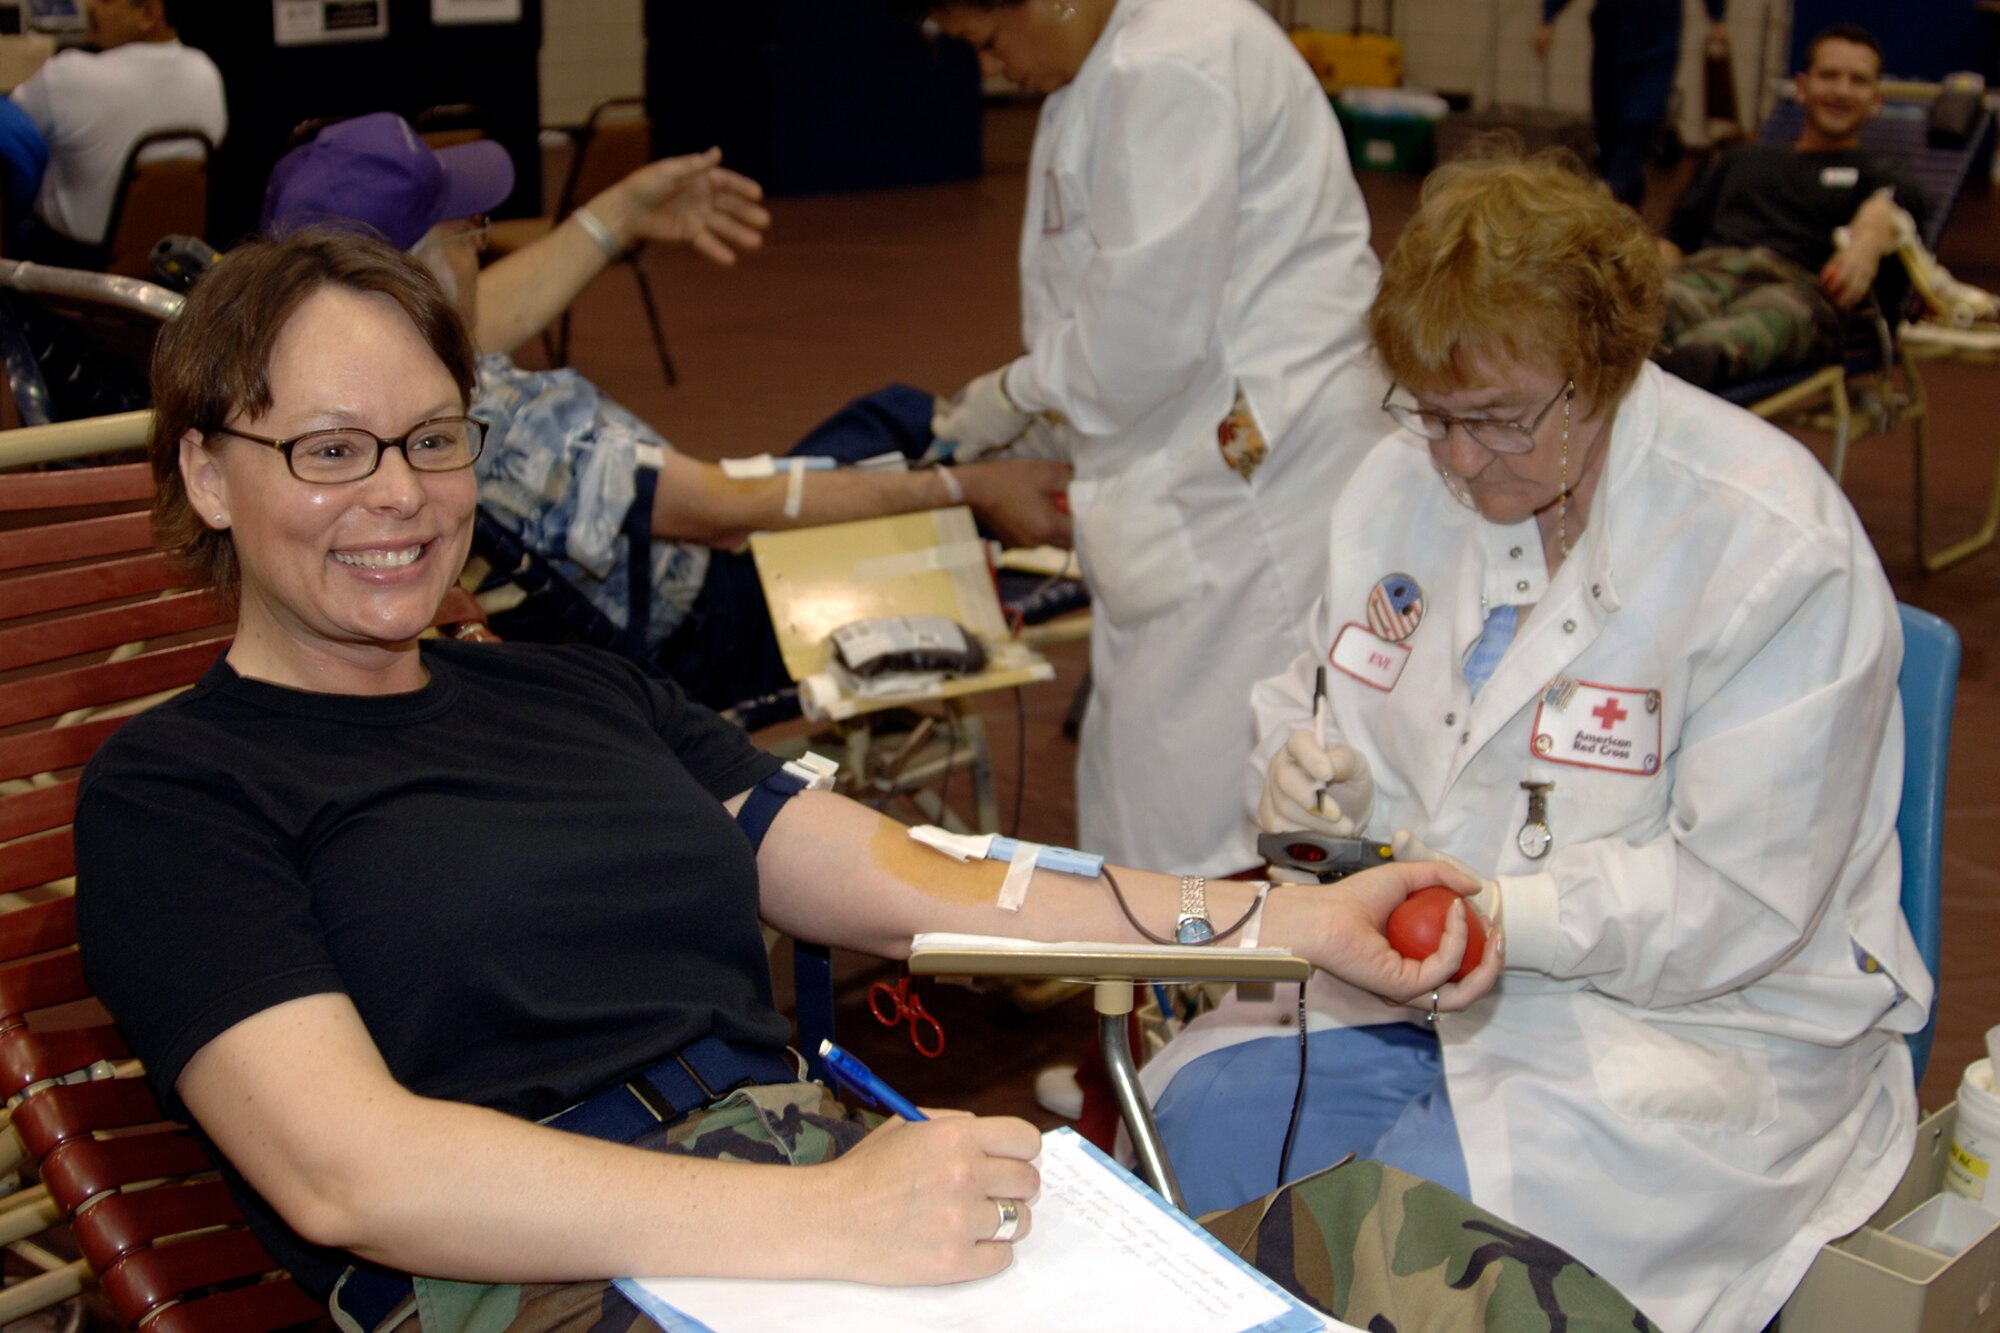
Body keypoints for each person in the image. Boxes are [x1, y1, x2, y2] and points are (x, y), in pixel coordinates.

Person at [71, 226, 1668, 1333]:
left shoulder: (578, 696)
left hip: (834, 1184)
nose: (399, 498)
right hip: (570, 1278)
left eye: (433, 440)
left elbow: (915, 880)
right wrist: (823, 1220)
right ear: (209, 471)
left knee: (1432, 1268)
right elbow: (355, 1173)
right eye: (332, 450)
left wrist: (1288, 923)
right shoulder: (181, 792)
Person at [1139, 148, 1929, 1333]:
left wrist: (1508, 916)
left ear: (1603, 369)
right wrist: (1306, 779)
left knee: (1402, 1238)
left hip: (1688, 1033)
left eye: (1498, 420)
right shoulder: (1400, 485)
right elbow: (1321, 687)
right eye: (1433, 415)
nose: (1455, 459)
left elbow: (1742, 904)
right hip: (1414, 989)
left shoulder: (1768, 549)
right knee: (1188, 1121)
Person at [260, 113, 1073, 710]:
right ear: (419, 276)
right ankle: (1056, 481)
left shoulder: (339, 377)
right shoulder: (496, 423)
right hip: (704, 626)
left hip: (644, 592)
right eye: (469, 232)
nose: (483, 245)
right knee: (899, 430)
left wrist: (616, 217)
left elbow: (477, 310)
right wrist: (968, 488)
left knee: (882, 423)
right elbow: (726, 512)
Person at [889, 0, 1387, 881]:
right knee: (1144, 751)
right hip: (1187, 449)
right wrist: (1042, 406)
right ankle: (1155, 964)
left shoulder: (1169, 62)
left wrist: (1020, 391)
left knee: (1211, 775)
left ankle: (1215, 982)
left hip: (1258, 463)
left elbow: (1140, 340)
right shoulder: (1110, 63)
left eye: (990, 39)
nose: (995, 66)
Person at [1653, 24, 1924, 390]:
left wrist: (1871, 233)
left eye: (1857, 81)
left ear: (1876, 99)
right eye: (1829, 75)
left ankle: (1675, 381)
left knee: (1719, 344)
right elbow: (1674, 242)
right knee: (1624, 318)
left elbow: (1893, 209)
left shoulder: (1880, 177)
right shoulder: (1742, 161)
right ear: (1802, 87)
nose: (1841, 91)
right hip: (1709, 275)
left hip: (1798, 294)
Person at [8, 0, 224, 260]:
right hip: (173, 267)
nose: (90, 7)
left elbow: (8, 133)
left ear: (148, 13)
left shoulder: (67, 77)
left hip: (72, 268)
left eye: (106, 0)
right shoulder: (207, 73)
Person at [1534, 0, 1728, 209]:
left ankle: (1610, 201)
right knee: (1609, 128)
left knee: (1639, 121)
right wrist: (1548, 19)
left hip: (1657, 37)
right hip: (1612, 39)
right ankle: (1626, 201)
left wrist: (1717, 18)